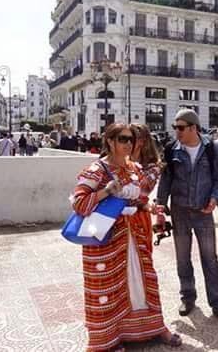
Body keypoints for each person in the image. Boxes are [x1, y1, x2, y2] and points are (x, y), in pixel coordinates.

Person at [72, 123, 181, 350]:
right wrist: (106, 191)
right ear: (110, 141)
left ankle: (151, 328)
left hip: (135, 237)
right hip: (107, 240)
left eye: (131, 139)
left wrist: (149, 208)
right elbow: (79, 204)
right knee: (109, 287)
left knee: (141, 281)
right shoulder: (97, 169)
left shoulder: (135, 168)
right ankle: (108, 338)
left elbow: (136, 199)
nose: (128, 143)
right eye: (122, 139)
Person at [156, 109, 218, 322]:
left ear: (193, 127)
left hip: (203, 212)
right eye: (175, 127)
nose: (176, 131)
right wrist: (160, 207)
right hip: (180, 211)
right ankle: (188, 297)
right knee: (183, 258)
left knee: (210, 259)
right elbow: (165, 181)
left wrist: (215, 199)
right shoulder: (172, 149)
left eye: (180, 127)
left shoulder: (211, 147)